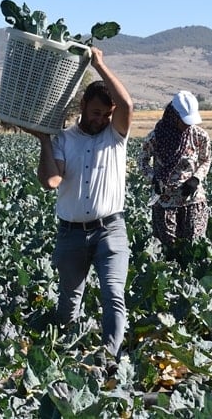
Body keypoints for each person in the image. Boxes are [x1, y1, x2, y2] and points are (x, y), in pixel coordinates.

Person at [24, 46, 133, 364]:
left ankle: (110, 359)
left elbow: (127, 104)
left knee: (114, 294)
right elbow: (51, 181)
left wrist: (99, 64)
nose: (101, 120)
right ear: (83, 106)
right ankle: (62, 356)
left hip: (110, 230)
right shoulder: (64, 139)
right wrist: (44, 140)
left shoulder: (115, 136)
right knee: (69, 300)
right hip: (71, 233)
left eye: (106, 115)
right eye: (96, 113)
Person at [138, 90, 212, 260]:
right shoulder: (156, 137)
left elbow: (205, 160)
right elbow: (142, 161)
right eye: (184, 121)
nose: (188, 125)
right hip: (165, 201)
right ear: (174, 115)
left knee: (194, 248)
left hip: (193, 199)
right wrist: (154, 179)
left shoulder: (199, 136)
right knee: (167, 250)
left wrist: (196, 178)